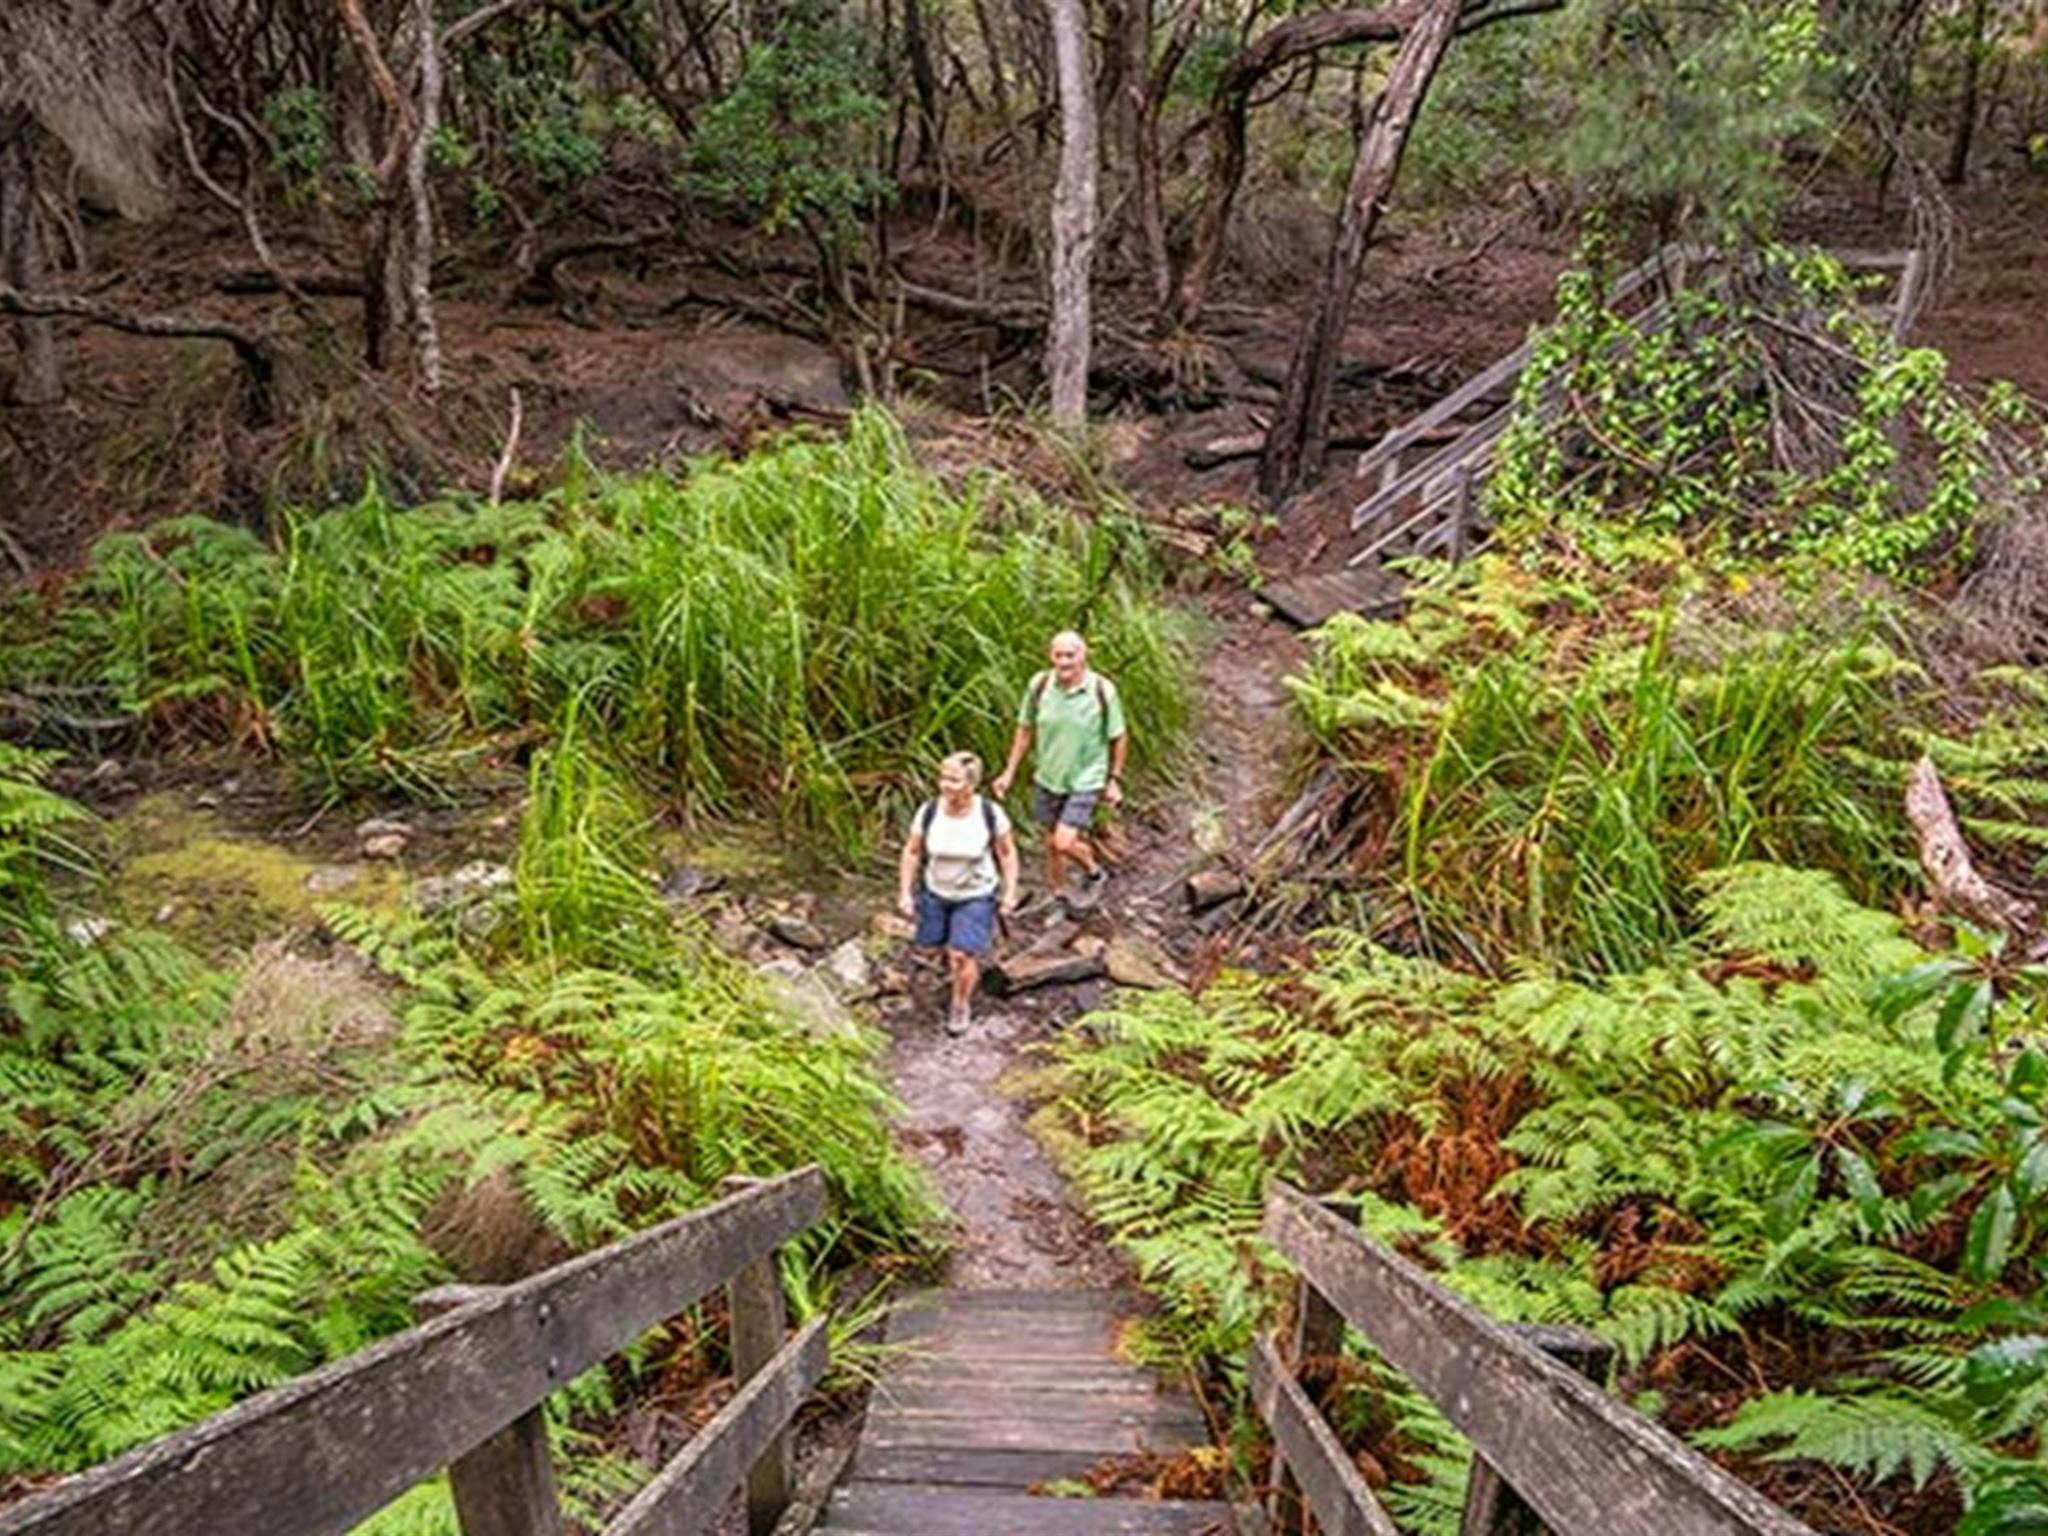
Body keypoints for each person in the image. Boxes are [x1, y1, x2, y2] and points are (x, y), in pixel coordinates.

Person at [991, 630, 1127, 911]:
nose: (1064, 662)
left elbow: (1119, 737)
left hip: (1086, 778)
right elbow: (1025, 729)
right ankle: (1059, 894)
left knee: (1065, 842)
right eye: (1058, 655)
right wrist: (1009, 772)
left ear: (1084, 655)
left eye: (1070, 655)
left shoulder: (1102, 690)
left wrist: (1113, 780)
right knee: (1051, 843)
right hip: (1048, 775)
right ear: (1050, 655)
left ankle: (1094, 871)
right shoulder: (1040, 685)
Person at [898, 751, 1020, 1035]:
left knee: (961, 954)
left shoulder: (989, 813)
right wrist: (905, 891)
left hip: (976, 893)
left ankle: (960, 1003)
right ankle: (954, 964)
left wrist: (1010, 890)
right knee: (930, 946)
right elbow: (912, 851)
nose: (944, 785)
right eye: (943, 778)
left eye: (953, 780)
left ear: (971, 784)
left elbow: (1007, 852)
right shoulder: (929, 811)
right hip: (936, 890)